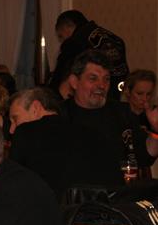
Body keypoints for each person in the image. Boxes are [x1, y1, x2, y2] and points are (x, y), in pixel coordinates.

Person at [64, 50, 158, 187]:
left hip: (120, 194)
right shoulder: (61, 115)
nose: (101, 85)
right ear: (74, 82)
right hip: (79, 194)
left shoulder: (121, 112)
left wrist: (155, 131)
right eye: (93, 78)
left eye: (106, 79)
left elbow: (144, 156)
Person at [8, 87, 74, 199]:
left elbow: (13, 184)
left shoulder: (25, 133)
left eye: (15, 119)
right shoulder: (84, 133)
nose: (11, 129)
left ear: (35, 108)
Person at [50, 10, 128, 100]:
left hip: (92, 97)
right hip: (120, 93)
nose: (62, 40)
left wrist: (51, 94)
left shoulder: (74, 42)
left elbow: (61, 75)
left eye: (61, 36)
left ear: (68, 27)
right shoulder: (115, 39)